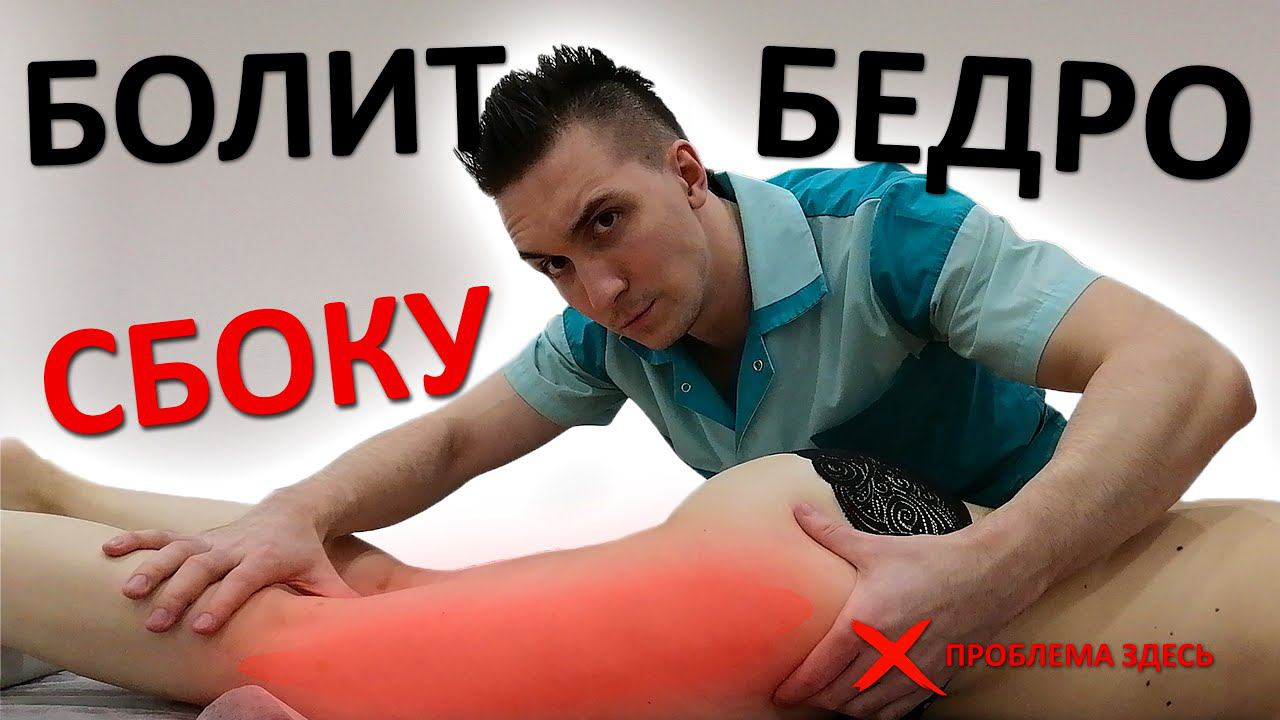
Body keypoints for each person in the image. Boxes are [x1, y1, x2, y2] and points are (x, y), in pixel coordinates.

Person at [86, 46, 1256, 719]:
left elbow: (1190, 370)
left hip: (1037, 590)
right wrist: (293, 511)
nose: (594, 287)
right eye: (552, 263)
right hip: (846, 635)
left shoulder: (885, 234)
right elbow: (451, 442)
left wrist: (987, 574)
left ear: (686, 172)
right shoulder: (610, 329)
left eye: (607, 222)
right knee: (395, 592)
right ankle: (45, 492)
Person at [3, 439, 1278, 720]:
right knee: (315, 661)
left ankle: (47, 493)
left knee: (395, 606)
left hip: (854, 547)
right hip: (842, 604)